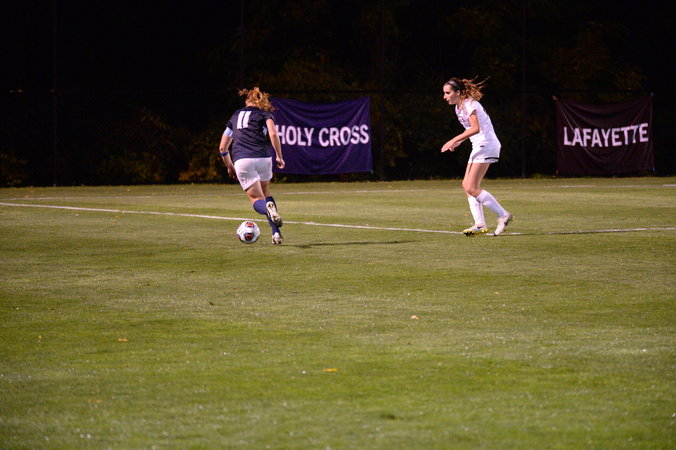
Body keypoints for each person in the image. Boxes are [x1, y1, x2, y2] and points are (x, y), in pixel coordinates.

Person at [441, 77, 513, 236]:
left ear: (458, 92)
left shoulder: (469, 104)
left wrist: (453, 139)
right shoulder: (459, 107)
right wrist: (459, 141)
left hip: (486, 144)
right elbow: (470, 129)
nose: (444, 96)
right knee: (467, 185)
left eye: (447, 93)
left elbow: (475, 128)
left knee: (471, 187)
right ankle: (480, 224)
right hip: (479, 145)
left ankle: (503, 215)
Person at [219, 87, 285, 244]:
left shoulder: (235, 116)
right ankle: (276, 233)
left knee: (256, 199)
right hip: (264, 158)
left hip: (243, 159)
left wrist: (229, 166)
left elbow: (222, 148)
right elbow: (273, 134)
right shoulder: (265, 114)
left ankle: (267, 208)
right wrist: (279, 156)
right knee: (266, 193)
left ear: (247, 101)